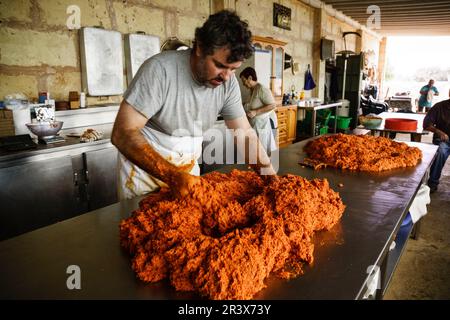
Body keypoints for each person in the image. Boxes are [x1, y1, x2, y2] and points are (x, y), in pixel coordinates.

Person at [111, 10, 277, 200]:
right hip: (144, 176)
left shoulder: (228, 84)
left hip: (188, 174)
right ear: (200, 48)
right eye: (220, 65)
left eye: (233, 69)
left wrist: (271, 180)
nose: (226, 76)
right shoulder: (159, 71)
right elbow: (122, 132)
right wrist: (173, 177)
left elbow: (245, 135)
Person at [239, 67, 277, 155]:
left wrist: (256, 112)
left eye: (244, 80)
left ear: (250, 78)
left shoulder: (261, 89)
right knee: (256, 151)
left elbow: (273, 105)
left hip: (263, 124)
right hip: (255, 125)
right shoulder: (252, 90)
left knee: (263, 151)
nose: (243, 84)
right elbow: (253, 103)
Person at [423, 89, 450, 193]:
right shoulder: (439, 107)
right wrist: (439, 132)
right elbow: (426, 124)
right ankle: (433, 182)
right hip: (443, 140)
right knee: (441, 152)